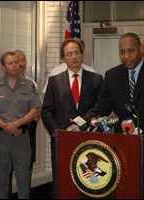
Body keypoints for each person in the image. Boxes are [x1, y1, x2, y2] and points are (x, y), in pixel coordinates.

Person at [84, 32, 144, 154]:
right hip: (122, 144)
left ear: (141, 49)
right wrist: (81, 123)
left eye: (131, 51)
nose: (126, 56)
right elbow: (101, 108)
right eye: (122, 52)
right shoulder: (112, 76)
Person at [41, 38, 103, 181]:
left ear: (82, 55)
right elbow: (46, 111)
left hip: (89, 137)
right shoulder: (54, 81)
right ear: (63, 58)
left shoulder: (96, 79)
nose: (73, 56)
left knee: (88, 179)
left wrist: (85, 124)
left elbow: (101, 108)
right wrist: (57, 132)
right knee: (63, 179)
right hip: (62, 139)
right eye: (69, 54)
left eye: (76, 53)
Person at [0, 51, 41, 199]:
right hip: (1, 138)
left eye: (17, 62)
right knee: (0, 179)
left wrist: (17, 124)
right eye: (11, 63)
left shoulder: (29, 85)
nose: (15, 65)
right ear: (3, 67)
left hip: (22, 138)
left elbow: (34, 111)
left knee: (24, 179)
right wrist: (5, 126)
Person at [15, 50, 42, 185]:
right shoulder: (4, 84)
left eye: (23, 60)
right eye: (17, 60)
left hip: (28, 132)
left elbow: (38, 107)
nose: (20, 63)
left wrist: (33, 121)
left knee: (27, 168)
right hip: (10, 132)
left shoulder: (32, 83)